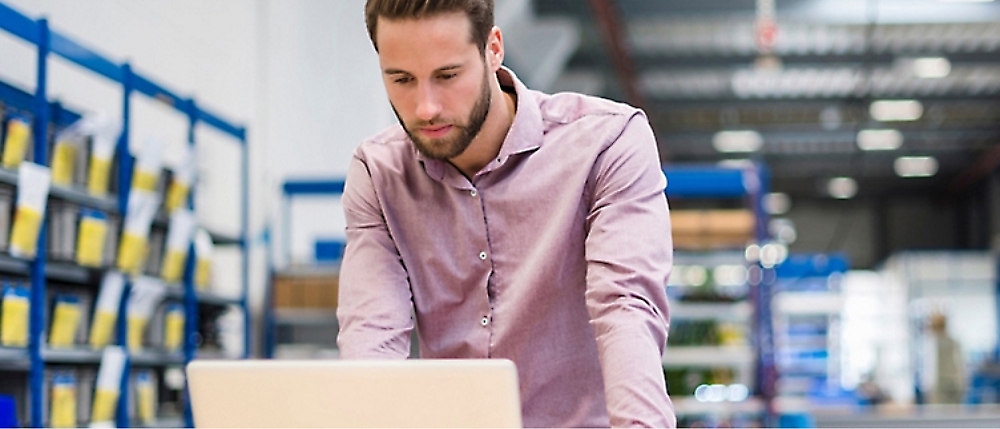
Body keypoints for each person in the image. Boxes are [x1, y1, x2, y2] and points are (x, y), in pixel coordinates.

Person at [336, 0, 675, 427]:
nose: (425, 107)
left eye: (447, 75)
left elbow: (626, 307)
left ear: (493, 48)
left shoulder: (607, 143)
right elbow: (372, 337)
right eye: (401, 79)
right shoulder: (378, 172)